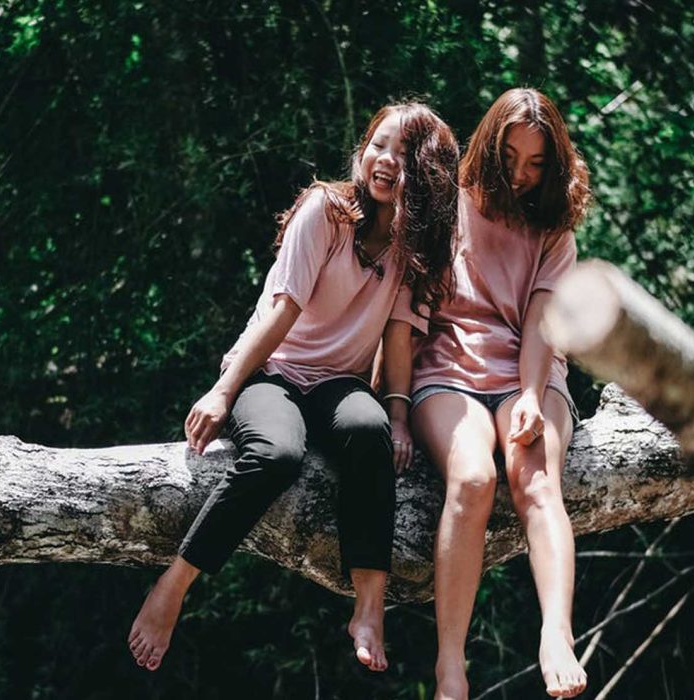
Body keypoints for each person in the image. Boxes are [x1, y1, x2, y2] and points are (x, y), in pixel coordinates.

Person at [128, 102, 460, 673]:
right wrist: (223, 391)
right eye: (379, 145)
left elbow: (398, 337)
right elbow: (282, 312)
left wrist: (401, 416)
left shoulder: (411, 247)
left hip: (339, 385)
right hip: (272, 372)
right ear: (362, 151)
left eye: (405, 155)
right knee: (277, 453)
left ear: (427, 173)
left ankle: (369, 609)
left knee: (370, 430)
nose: (386, 161)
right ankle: (174, 584)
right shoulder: (325, 211)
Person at [410, 88, 593, 700]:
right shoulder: (447, 205)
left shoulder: (553, 229)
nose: (520, 174)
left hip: (528, 372)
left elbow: (541, 324)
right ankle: (450, 664)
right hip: (449, 371)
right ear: (488, 147)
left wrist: (533, 397)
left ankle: (557, 635)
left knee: (535, 481)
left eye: (536, 163)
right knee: (472, 479)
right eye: (510, 157)